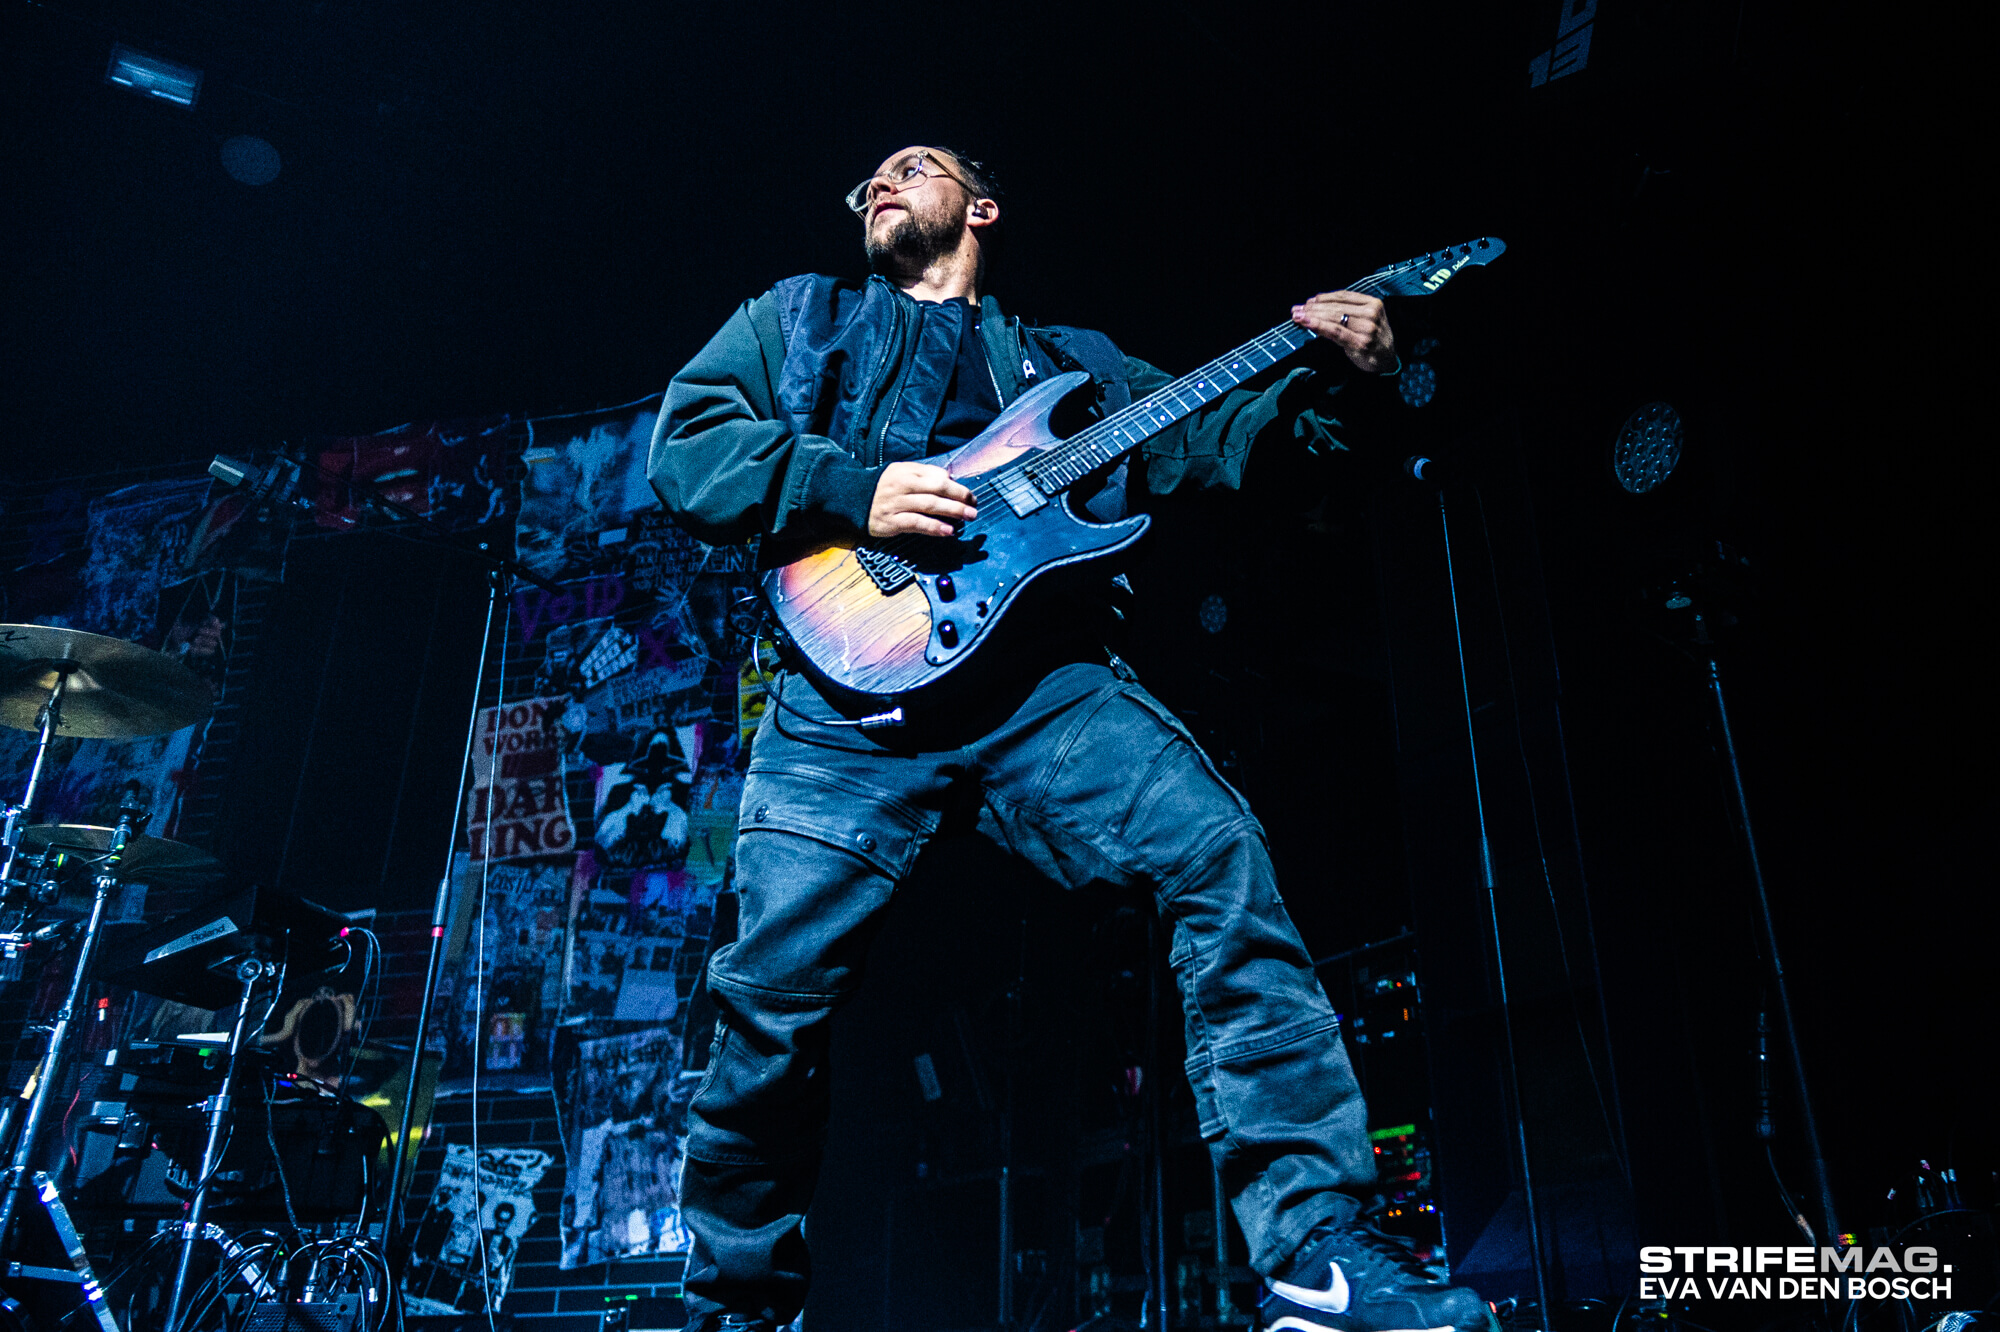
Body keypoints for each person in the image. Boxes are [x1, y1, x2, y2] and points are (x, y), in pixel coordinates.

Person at [649, 144, 1495, 1332]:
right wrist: (852, 490)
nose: (876, 186)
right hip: (835, 710)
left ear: (980, 207)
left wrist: (1343, 379)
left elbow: (1239, 446)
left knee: (1216, 855)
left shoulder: (1076, 372)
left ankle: (1317, 1255)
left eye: (910, 166)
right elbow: (684, 446)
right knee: (764, 1006)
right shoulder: (796, 319)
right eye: (865, 184)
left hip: (1039, 693)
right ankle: (733, 1314)